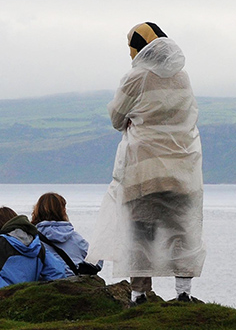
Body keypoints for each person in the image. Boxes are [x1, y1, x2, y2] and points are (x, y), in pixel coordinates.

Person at [87, 22, 206, 305]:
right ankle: (184, 293)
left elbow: (117, 118)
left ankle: (139, 295)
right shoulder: (182, 77)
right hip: (182, 169)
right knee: (182, 230)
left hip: (143, 169)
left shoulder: (136, 77)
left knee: (140, 231)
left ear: (138, 47)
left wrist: (135, 119)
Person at [31, 192, 89, 274]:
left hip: (44, 283)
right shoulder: (76, 238)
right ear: (63, 211)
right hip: (74, 282)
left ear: (37, 210)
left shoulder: (31, 238)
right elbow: (95, 261)